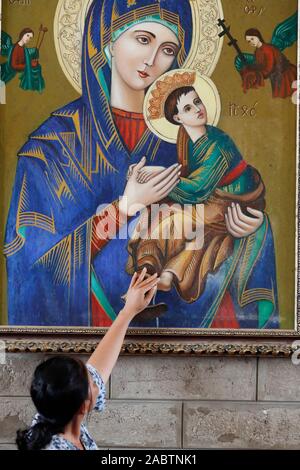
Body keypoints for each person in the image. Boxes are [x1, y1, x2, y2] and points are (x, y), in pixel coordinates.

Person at [4, 0, 264, 330]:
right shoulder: (52, 147)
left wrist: (243, 230)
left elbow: (225, 199)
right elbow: (29, 266)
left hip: (184, 341)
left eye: (167, 49)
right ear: (108, 39)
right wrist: (124, 207)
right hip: (86, 331)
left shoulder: (190, 140)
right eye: (143, 40)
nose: (152, 60)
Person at [125, 76, 278, 329]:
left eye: (197, 102)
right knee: (156, 213)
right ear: (177, 119)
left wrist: (155, 178)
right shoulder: (186, 136)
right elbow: (186, 173)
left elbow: (197, 189)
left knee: (178, 220)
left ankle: (165, 276)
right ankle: (150, 275)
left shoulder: (218, 144)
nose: (198, 109)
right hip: (210, 197)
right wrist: (150, 173)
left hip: (229, 201)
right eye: (188, 108)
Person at [16, 269, 159, 450]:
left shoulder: (57, 417)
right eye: (92, 383)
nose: (97, 380)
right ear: (83, 407)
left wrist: (128, 311)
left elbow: (98, 367)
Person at [240, 28, 297, 98]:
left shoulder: (267, 49)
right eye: (249, 41)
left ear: (258, 36)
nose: (251, 42)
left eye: (252, 39)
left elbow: (269, 68)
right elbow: (260, 65)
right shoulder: (257, 51)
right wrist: (250, 68)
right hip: (276, 77)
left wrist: (257, 75)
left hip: (286, 76)